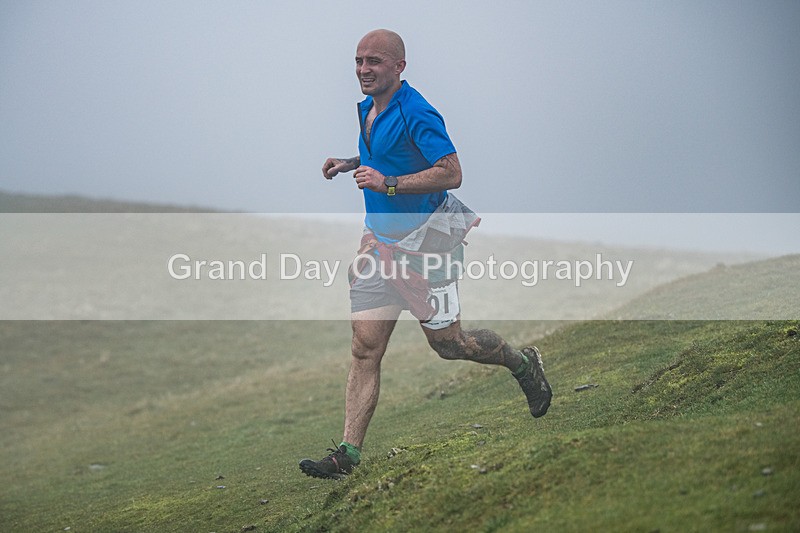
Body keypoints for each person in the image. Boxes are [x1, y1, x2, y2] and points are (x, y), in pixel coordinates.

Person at [299, 29, 552, 480]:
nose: (363, 69)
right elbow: (390, 157)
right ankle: (347, 457)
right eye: (358, 61)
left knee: (450, 346)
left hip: (428, 242)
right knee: (364, 347)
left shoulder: (418, 110)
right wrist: (348, 163)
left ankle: (522, 363)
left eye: (374, 61)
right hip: (379, 243)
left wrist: (388, 185)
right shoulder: (368, 108)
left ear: (399, 67)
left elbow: (451, 173)